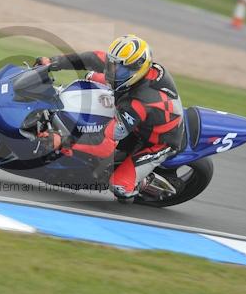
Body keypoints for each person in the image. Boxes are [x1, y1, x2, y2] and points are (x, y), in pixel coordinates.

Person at [35, 35, 185, 202]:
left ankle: (144, 183)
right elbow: (90, 58)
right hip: (140, 111)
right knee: (90, 76)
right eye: (112, 64)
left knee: (119, 187)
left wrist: (63, 141)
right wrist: (52, 62)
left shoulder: (139, 103)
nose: (112, 70)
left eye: (119, 69)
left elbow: (104, 144)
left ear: (137, 70)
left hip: (159, 139)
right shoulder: (130, 69)